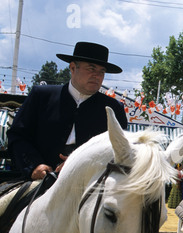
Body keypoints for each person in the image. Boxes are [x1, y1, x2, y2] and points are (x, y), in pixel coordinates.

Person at [7, 42, 127, 180]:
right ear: (72, 67)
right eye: (91, 68)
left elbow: (119, 150)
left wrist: (80, 163)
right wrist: (34, 166)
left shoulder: (113, 108)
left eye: (102, 72)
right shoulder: (41, 96)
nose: (97, 76)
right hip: (38, 180)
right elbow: (18, 136)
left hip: (91, 184)